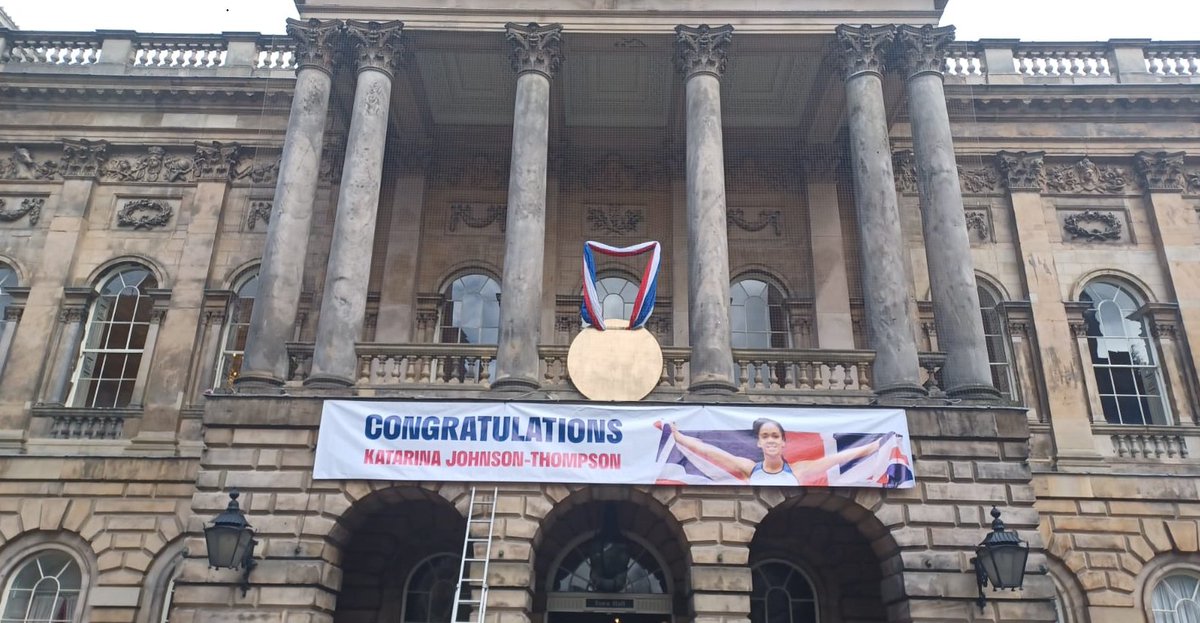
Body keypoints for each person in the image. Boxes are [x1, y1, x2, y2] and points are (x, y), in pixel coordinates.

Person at [668, 417, 887, 485]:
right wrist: (679, 437)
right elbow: (710, 452)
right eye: (765, 436)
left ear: (784, 442)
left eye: (775, 436)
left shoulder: (799, 470)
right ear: (758, 444)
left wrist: (874, 446)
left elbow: (838, 458)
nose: (770, 441)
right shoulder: (749, 468)